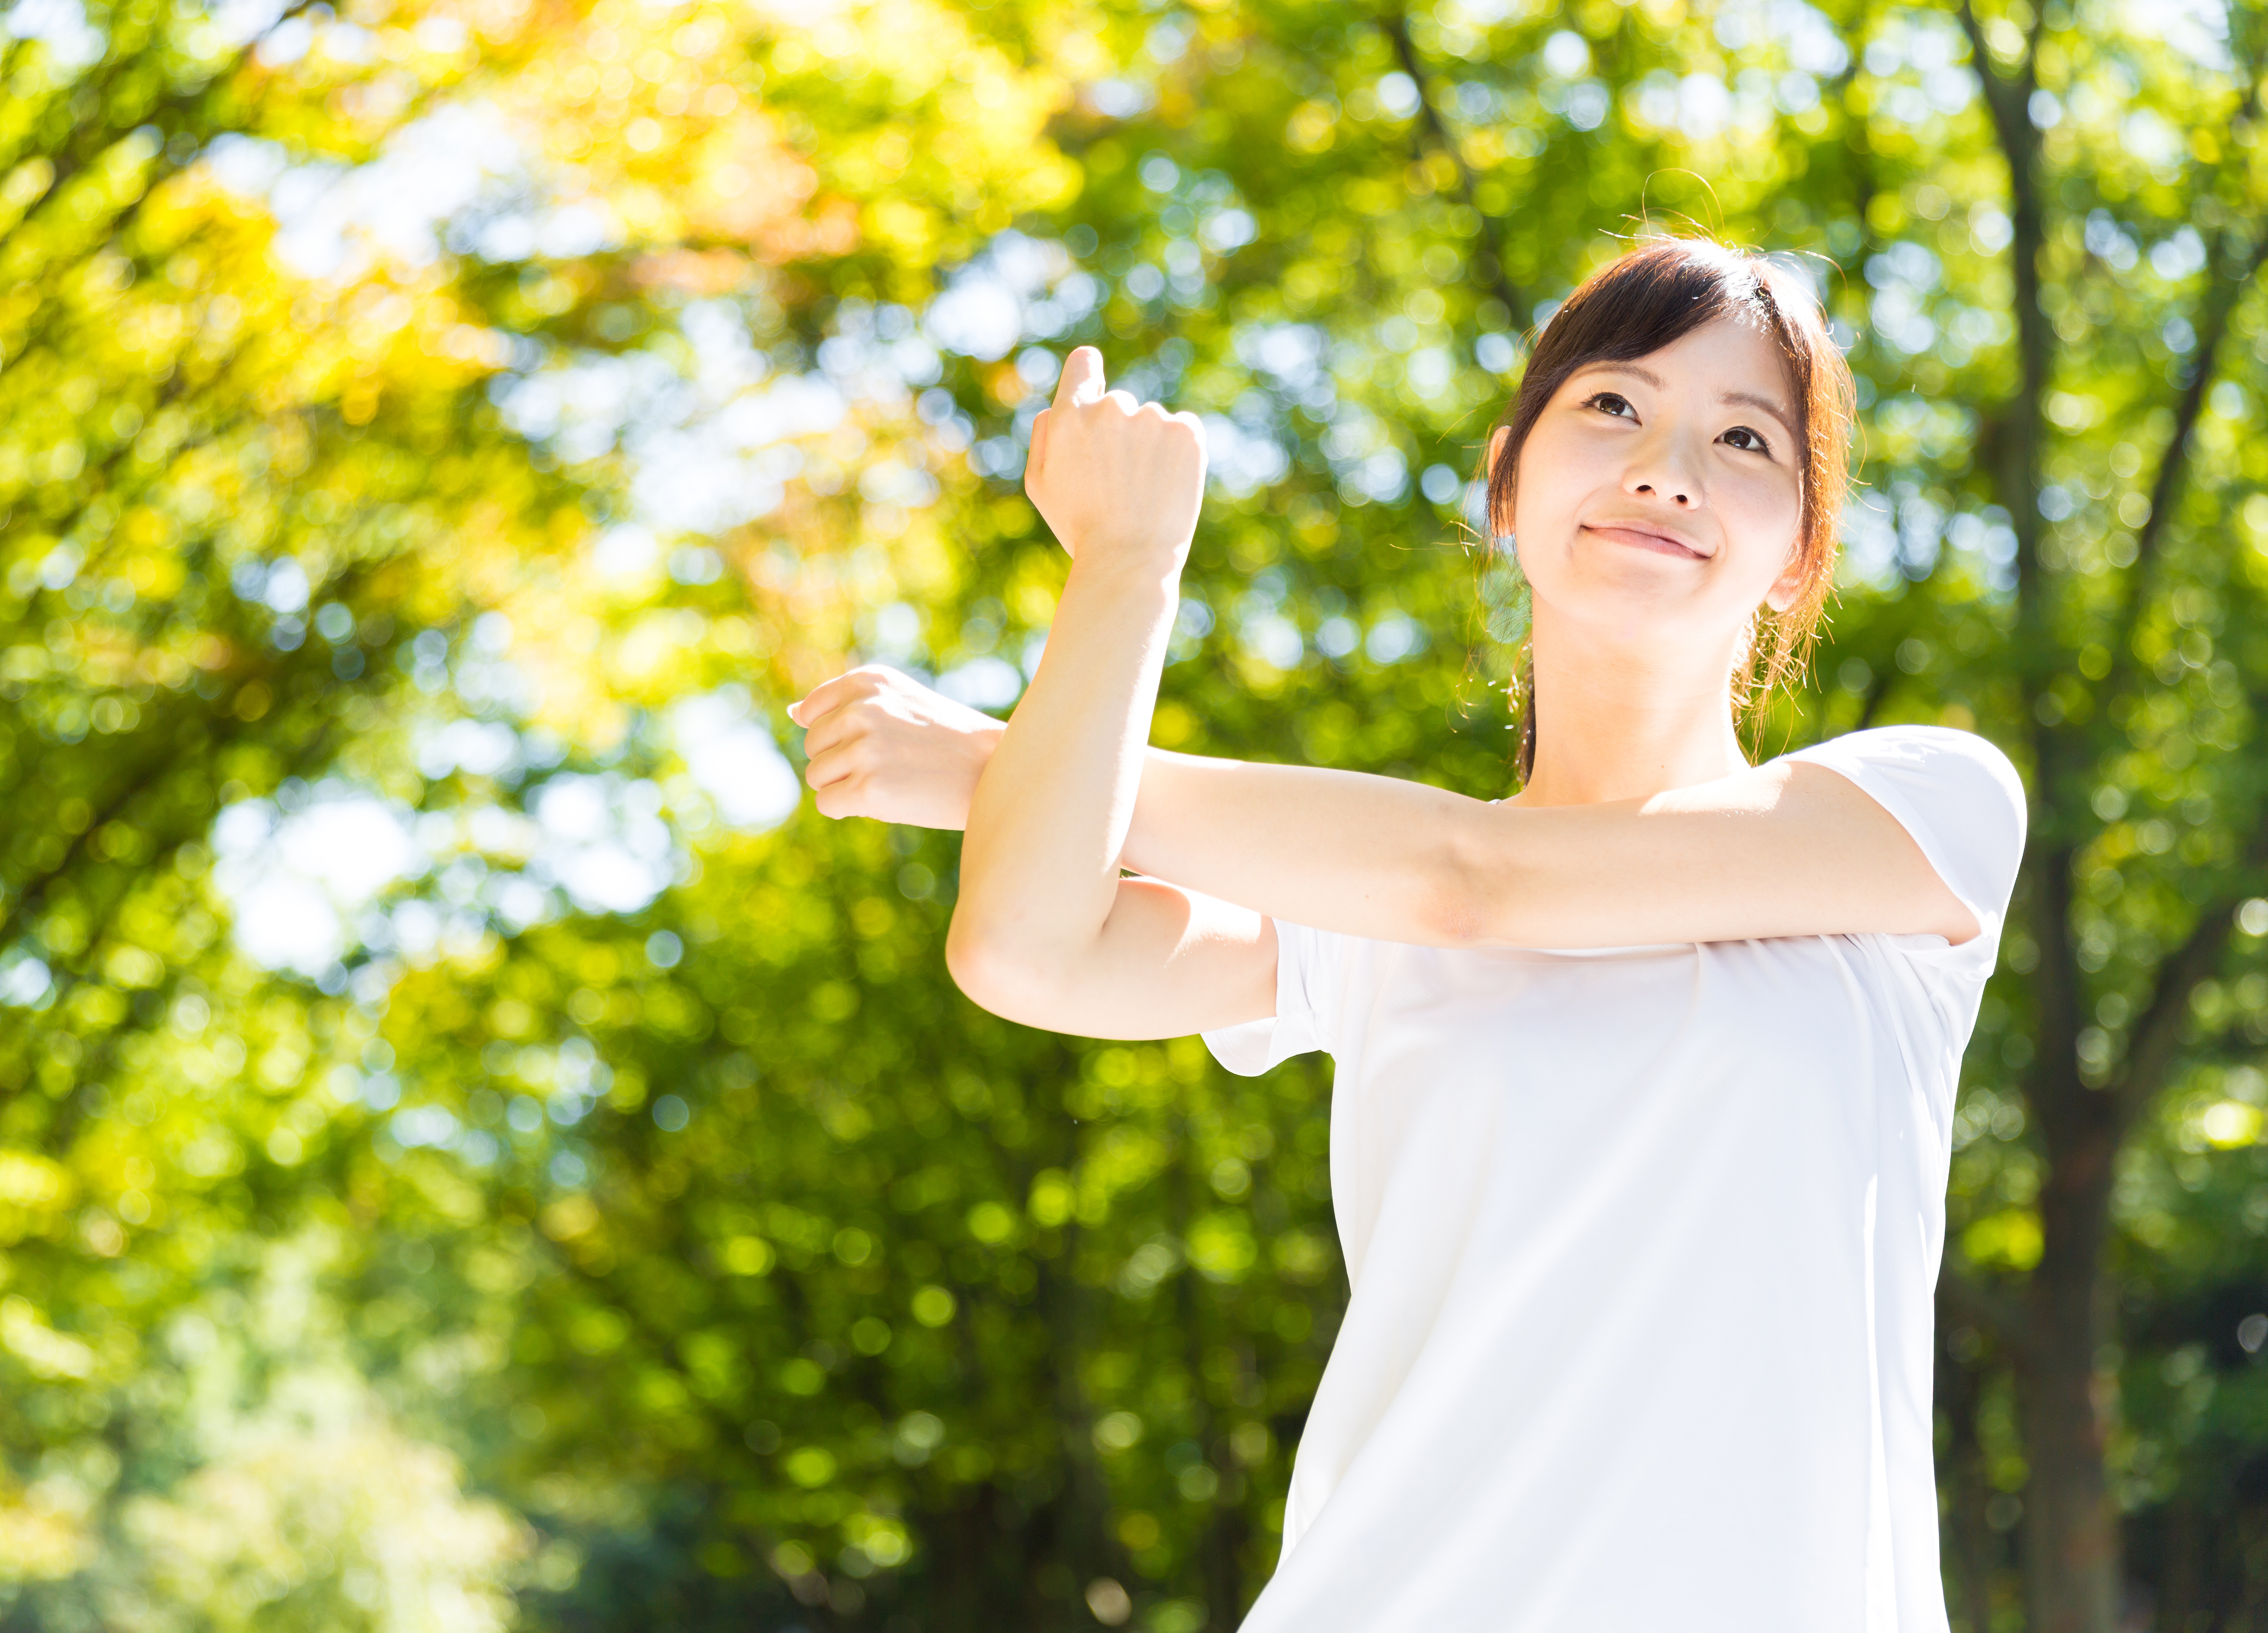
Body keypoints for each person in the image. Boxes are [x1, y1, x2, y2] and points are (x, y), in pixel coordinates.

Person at [789, 236, 2025, 1630]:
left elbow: (1475, 880)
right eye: (1614, 405)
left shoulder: (1920, 822)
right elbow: (1024, 950)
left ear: (1802, 557)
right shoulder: (1350, 909)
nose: (1668, 466)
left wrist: (997, 767)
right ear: (1507, 481)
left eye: (1745, 438)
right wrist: (1126, 568)